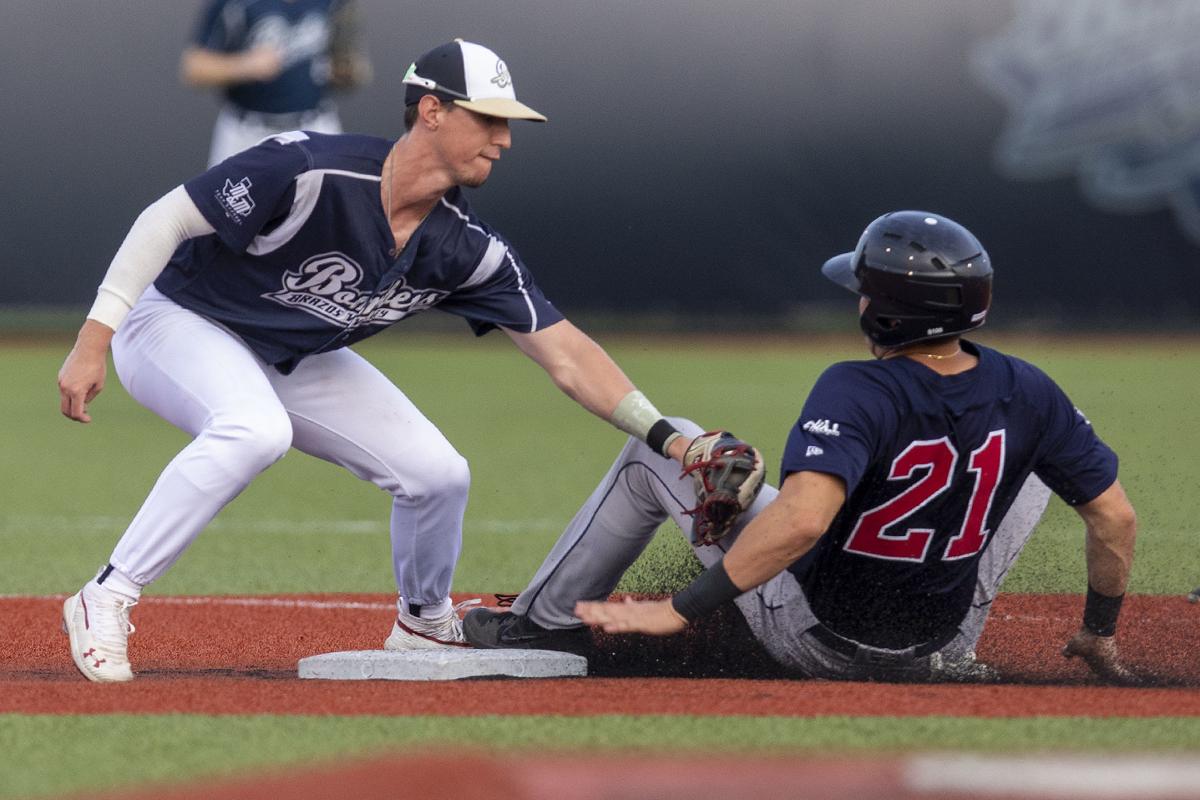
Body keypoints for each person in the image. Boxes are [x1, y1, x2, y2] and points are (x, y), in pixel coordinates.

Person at [57, 40, 700, 683]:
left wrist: (669, 438)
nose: (504, 139)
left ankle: (424, 621)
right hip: (176, 319)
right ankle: (107, 594)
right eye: (489, 119)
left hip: (292, 351)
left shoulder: (466, 248)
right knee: (254, 430)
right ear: (433, 111)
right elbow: (165, 219)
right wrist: (93, 341)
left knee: (437, 475)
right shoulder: (312, 168)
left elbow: (568, 354)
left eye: (508, 124)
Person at [465, 211, 1139, 684]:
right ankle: (956, 650)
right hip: (940, 639)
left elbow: (804, 521)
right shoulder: (1029, 388)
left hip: (823, 642)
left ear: (885, 312)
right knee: (1045, 449)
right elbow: (1115, 517)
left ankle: (541, 623)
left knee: (656, 448)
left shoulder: (855, 388)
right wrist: (1099, 630)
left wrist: (678, 608)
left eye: (865, 291)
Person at [181, 0, 371, 167]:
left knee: (331, 194)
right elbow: (194, 69)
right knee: (228, 196)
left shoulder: (331, 2)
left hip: (315, 126)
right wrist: (245, 65)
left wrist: (348, 71)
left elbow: (346, 61)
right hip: (249, 132)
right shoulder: (235, 4)